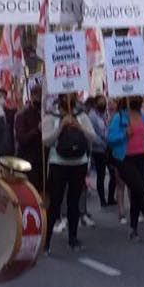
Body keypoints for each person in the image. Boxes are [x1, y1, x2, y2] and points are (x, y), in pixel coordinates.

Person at [41, 93, 99, 252]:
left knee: (74, 203)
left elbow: (93, 137)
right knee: (55, 203)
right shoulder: (51, 117)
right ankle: (46, 242)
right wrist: (60, 128)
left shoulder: (82, 116)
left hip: (79, 164)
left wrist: (79, 127)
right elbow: (46, 141)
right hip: (58, 164)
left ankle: (73, 238)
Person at [107, 96, 144, 241]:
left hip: (141, 159)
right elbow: (110, 138)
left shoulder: (143, 117)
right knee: (140, 189)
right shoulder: (119, 118)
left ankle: (134, 229)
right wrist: (124, 134)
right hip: (125, 159)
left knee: (137, 193)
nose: (138, 99)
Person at [14, 83, 45, 188]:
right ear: (31, 96)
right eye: (38, 96)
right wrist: (37, 130)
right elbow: (21, 138)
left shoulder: (45, 113)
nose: (40, 99)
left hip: (43, 159)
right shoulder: (22, 115)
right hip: (28, 160)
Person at [86, 96, 114, 207]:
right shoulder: (92, 116)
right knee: (101, 175)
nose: (104, 104)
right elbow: (93, 134)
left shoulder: (104, 115)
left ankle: (111, 197)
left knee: (113, 173)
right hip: (99, 150)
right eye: (101, 102)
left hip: (108, 148)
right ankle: (102, 200)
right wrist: (103, 144)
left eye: (104, 102)